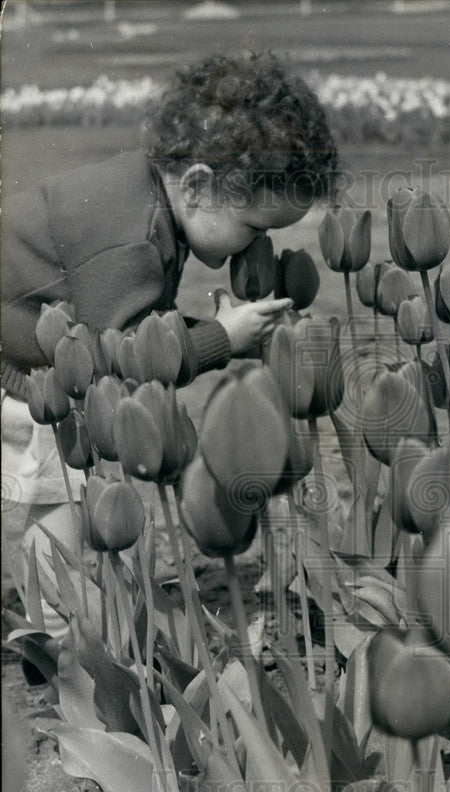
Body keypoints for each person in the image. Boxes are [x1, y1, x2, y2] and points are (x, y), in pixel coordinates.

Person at [0, 52, 338, 650]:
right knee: (58, 502)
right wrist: (221, 339)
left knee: (73, 498)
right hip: (24, 376)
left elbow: (128, 328)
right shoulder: (130, 235)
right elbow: (123, 357)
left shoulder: (151, 197)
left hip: (41, 354)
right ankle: (54, 647)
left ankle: (75, 626)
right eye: (256, 229)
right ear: (201, 185)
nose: (260, 246)